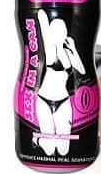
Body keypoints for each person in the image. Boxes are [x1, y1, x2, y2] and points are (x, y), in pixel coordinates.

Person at [34, 9, 85, 156]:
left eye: (62, 30)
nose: (59, 33)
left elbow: (81, 70)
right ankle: (37, 140)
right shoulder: (49, 49)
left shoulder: (68, 53)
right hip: (43, 100)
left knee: (63, 151)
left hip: (63, 101)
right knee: (49, 151)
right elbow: (43, 24)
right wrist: (39, 8)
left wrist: (73, 48)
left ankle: (46, 139)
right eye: (55, 29)